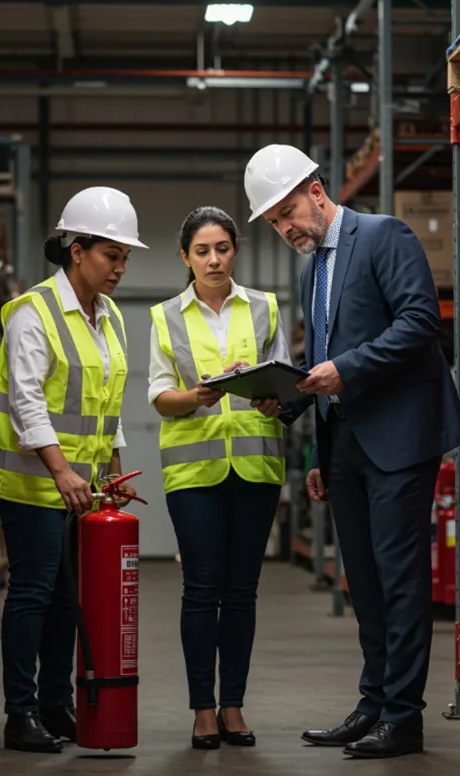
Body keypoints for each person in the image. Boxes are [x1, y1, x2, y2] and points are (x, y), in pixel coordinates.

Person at [243, 144, 460, 759]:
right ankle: (374, 702)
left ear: (316, 191)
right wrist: (290, 406)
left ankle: (404, 717)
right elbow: (321, 364)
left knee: (399, 581)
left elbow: (420, 322)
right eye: (273, 223)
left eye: (288, 211)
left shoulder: (383, 236)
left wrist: (344, 370)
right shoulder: (312, 265)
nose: (286, 227)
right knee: (364, 583)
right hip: (344, 443)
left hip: (398, 438)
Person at [0, 186, 147, 754]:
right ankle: (19, 714)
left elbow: (107, 400)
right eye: (110, 256)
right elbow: (27, 401)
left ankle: (55, 705)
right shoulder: (35, 313)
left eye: (125, 258)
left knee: (64, 598)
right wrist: (61, 472)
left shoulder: (111, 319)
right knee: (32, 592)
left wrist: (112, 470)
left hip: (82, 486)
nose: (120, 268)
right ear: (75, 250)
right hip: (33, 485)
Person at [147, 206, 289, 751]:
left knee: (243, 592)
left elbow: (283, 380)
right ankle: (202, 709)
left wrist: (278, 402)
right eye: (202, 250)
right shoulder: (166, 316)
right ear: (185, 257)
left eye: (223, 248)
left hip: (255, 467)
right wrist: (198, 397)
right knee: (202, 590)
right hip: (194, 472)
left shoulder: (264, 308)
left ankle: (234, 705)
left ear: (235, 251)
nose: (213, 259)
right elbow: (161, 397)